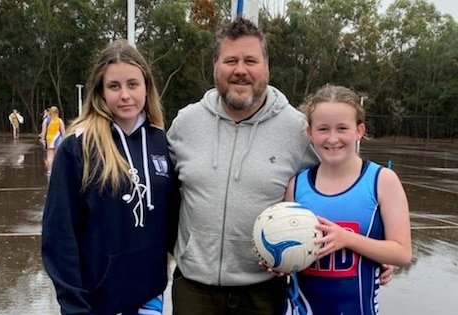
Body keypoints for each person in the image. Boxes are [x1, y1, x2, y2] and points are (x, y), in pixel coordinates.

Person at [167, 17, 318, 315]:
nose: (240, 70)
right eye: (230, 60)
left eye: (251, 60)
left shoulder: (298, 130)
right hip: (193, 289)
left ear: (266, 67)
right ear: (215, 65)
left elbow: (337, 188)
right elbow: (156, 191)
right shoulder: (186, 122)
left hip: (263, 291)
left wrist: (371, 247)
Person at [41, 39, 179, 315]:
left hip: (149, 298)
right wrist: (74, 305)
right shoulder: (78, 146)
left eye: (132, 84)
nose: (125, 95)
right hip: (97, 303)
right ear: (101, 91)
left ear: (147, 87)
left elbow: (176, 221)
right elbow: (58, 235)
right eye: (114, 86)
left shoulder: (160, 142)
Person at [284, 84, 412, 315]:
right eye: (323, 129)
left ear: (359, 130)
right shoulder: (297, 185)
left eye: (342, 128)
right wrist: (275, 260)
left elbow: (402, 253)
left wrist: (348, 240)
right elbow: (286, 247)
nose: (333, 138)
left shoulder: (382, 181)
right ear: (310, 133)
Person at [40, 105, 66, 176]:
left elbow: (43, 131)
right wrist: (64, 141)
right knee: (58, 156)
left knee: (50, 156)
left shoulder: (46, 120)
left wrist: (42, 139)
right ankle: (58, 170)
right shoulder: (59, 120)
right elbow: (63, 132)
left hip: (50, 139)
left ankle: (49, 171)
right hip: (58, 139)